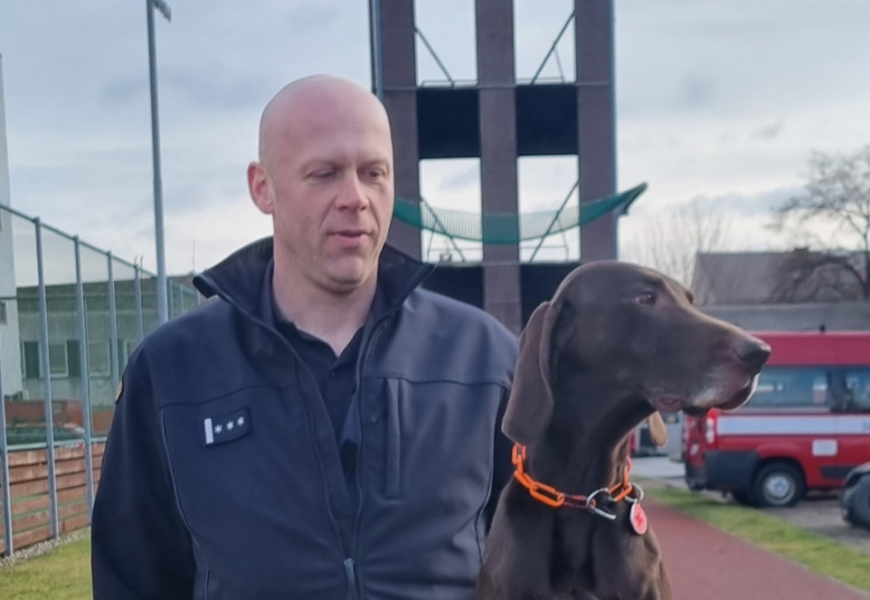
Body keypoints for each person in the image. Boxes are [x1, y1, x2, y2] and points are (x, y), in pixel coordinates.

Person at [91, 75, 518, 600]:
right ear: (262, 186)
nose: (355, 198)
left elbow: (541, 555)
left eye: (373, 173)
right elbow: (133, 577)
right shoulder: (171, 369)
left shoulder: (485, 359)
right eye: (324, 173)